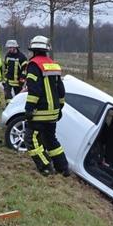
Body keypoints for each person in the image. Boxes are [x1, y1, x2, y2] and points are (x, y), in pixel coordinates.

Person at [23, 35, 69, 176]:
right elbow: (61, 90)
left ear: (33, 50)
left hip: (40, 111)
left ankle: (46, 167)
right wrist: (60, 107)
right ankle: (63, 168)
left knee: (31, 140)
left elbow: (34, 91)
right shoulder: (53, 65)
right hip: (53, 111)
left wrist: (29, 109)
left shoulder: (33, 65)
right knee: (51, 139)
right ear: (46, 50)